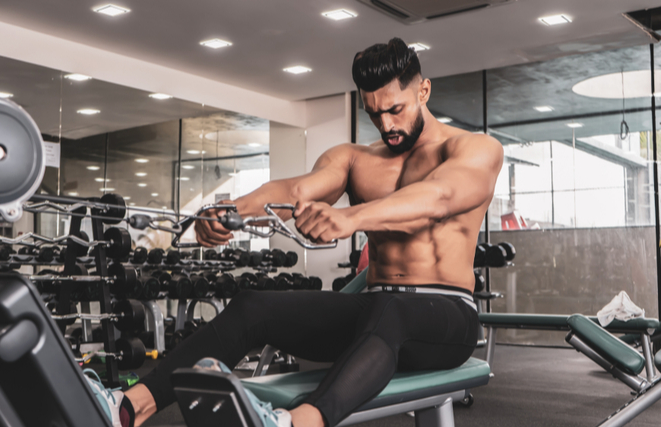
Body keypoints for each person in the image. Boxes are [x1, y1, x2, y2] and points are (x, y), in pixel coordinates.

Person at [93, 37, 503, 427]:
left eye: (395, 109)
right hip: (376, 311)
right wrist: (225, 213)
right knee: (254, 306)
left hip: (448, 317)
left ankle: (297, 422)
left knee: (389, 313)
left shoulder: (474, 149)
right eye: (374, 113)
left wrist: (350, 218)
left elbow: (440, 197)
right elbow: (293, 192)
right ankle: (128, 407)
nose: (385, 123)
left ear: (423, 92)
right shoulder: (355, 159)